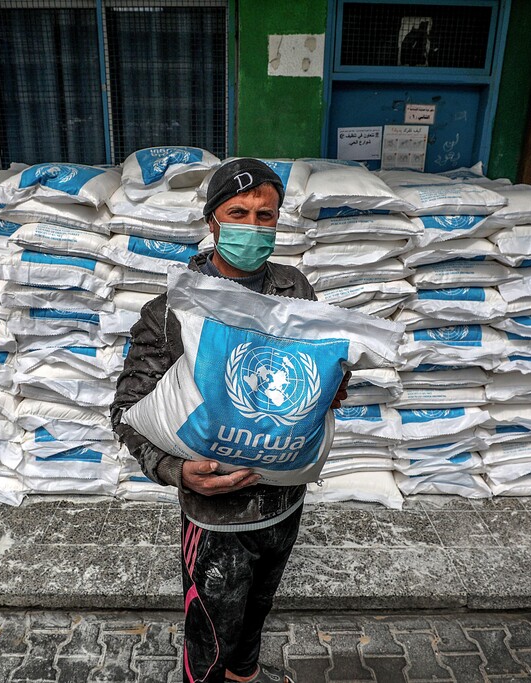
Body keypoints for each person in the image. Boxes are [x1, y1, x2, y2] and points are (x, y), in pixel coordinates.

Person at [111, 158, 348, 683]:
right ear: (212, 222)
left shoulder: (295, 290)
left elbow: (315, 373)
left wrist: (332, 388)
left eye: (266, 215)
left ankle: (247, 676)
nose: (254, 226)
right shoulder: (174, 309)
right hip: (217, 515)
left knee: (257, 612)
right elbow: (127, 412)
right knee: (211, 631)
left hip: (284, 497)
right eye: (238, 213)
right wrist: (177, 472)